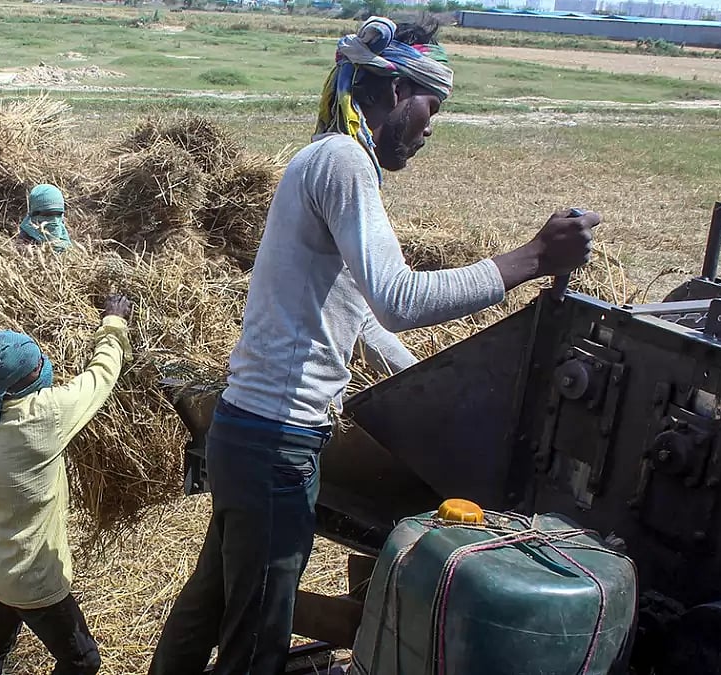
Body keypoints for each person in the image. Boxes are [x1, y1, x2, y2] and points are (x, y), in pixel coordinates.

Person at [149, 17, 600, 675]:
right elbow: (399, 297)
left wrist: (429, 389)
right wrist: (531, 258)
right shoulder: (342, 160)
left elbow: (362, 318)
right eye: (431, 106)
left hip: (247, 433)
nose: (431, 127)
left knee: (211, 600)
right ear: (392, 88)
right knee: (256, 641)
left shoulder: (322, 160)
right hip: (277, 444)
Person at [0, 295, 134, 675]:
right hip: (33, 577)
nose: (45, 366)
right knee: (83, 660)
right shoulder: (42, 420)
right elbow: (101, 376)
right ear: (20, 386)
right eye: (37, 365)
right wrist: (113, 324)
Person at [16, 184, 72, 253]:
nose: (54, 219)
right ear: (34, 214)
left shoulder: (62, 232)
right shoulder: (27, 235)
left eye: (58, 214)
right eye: (47, 214)